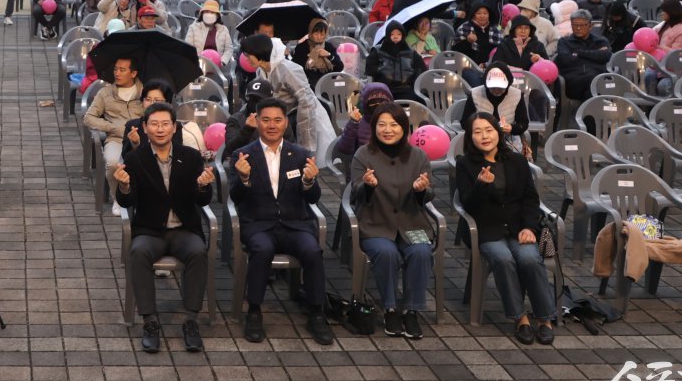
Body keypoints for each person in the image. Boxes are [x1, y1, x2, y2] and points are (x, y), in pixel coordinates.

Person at [228, 98, 333, 345]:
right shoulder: (242, 154)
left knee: (313, 250)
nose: (272, 125)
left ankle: (316, 313)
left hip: (294, 223)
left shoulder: (299, 154)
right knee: (262, 250)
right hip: (258, 223)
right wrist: (243, 179)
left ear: (286, 123)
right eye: (266, 120)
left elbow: (313, 198)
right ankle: (254, 311)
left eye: (277, 120)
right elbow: (234, 197)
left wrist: (309, 182)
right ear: (256, 122)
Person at [115, 101, 214, 353]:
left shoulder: (190, 157)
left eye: (165, 124)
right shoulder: (135, 159)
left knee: (197, 252)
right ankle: (150, 321)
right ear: (145, 128)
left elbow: (202, 200)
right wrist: (124, 186)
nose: (160, 129)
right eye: (154, 124)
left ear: (174, 128)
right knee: (137, 252)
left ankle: (191, 320)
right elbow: (127, 201)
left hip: (184, 230)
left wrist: (204, 185)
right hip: (151, 230)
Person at [454, 112, 556, 344]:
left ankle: (545, 318)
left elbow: (531, 199)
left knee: (530, 258)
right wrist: (481, 185)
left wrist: (530, 227)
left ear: (497, 133)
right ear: (470, 137)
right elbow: (468, 205)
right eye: (477, 132)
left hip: (518, 227)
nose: (484, 136)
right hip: (486, 229)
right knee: (503, 259)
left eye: (488, 130)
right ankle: (520, 318)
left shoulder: (516, 160)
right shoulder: (465, 164)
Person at [349, 103, 435, 340]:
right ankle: (390, 308)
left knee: (421, 251)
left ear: (404, 128)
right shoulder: (363, 154)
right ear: (374, 127)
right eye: (382, 125)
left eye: (394, 125)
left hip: (412, 222)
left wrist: (421, 190)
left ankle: (411, 309)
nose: (388, 130)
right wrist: (366, 185)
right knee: (387, 253)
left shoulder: (418, 156)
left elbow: (429, 195)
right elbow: (355, 194)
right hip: (376, 223)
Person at [554, 10, 612, 108]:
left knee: (603, 85)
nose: (578, 28)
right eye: (575, 25)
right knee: (593, 83)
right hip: (573, 82)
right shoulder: (564, 41)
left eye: (582, 25)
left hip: (598, 79)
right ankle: (597, 120)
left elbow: (605, 56)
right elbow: (565, 59)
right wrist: (594, 55)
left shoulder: (600, 41)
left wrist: (579, 53)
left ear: (590, 26)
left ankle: (593, 119)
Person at [370, 20, 423, 101]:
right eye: (392, 34)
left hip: (406, 90)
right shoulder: (377, 51)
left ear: (403, 35)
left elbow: (421, 70)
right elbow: (370, 69)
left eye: (399, 34)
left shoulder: (411, 53)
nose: (396, 37)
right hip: (385, 90)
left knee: (420, 99)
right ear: (387, 35)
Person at [291, 18, 342, 87]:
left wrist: (329, 55)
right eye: (316, 33)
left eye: (322, 34)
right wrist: (311, 58)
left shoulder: (328, 46)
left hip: (327, 84)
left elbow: (340, 67)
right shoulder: (302, 47)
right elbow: (296, 68)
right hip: (308, 85)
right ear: (310, 33)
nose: (319, 37)